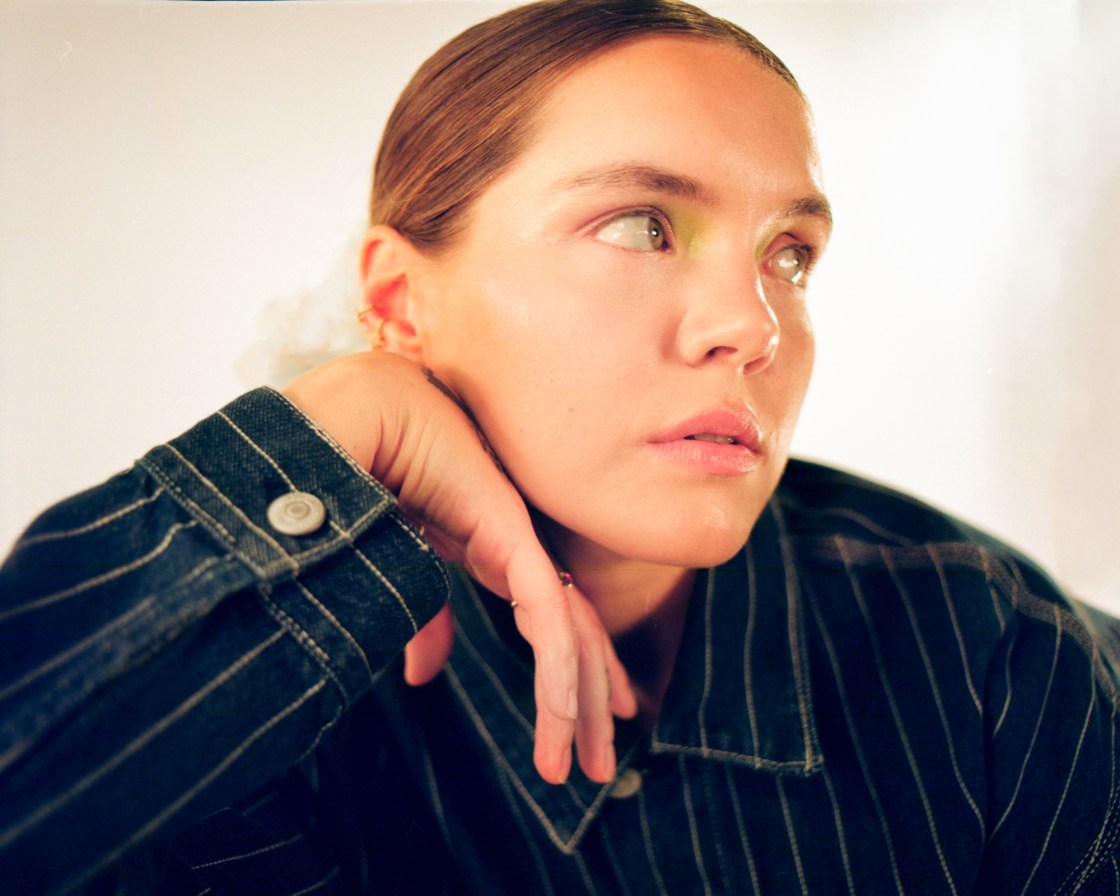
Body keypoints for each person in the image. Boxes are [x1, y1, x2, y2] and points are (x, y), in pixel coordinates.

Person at [1, 1, 1117, 893]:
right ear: (398, 300)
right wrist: (326, 434)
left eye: (789, 253)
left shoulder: (1001, 657)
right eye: (641, 225)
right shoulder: (254, 720)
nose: (752, 325)